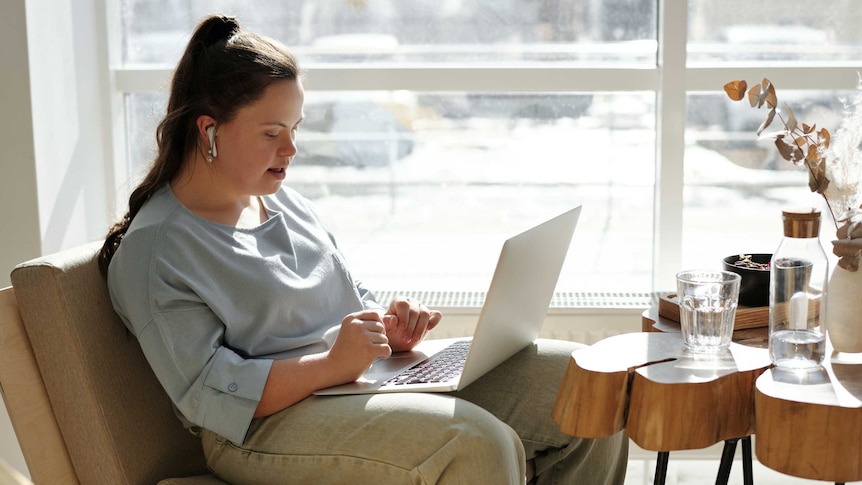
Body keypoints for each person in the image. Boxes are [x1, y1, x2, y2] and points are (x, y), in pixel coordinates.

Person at [99, 14, 628, 485]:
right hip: (260, 430)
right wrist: (333, 364)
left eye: (296, 129)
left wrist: (387, 328)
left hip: (357, 384)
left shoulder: (285, 202)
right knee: (475, 443)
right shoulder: (156, 251)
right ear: (209, 131)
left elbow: (350, 302)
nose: (292, 149)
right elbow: (210, 396)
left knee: (584, 383)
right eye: (271, 133)